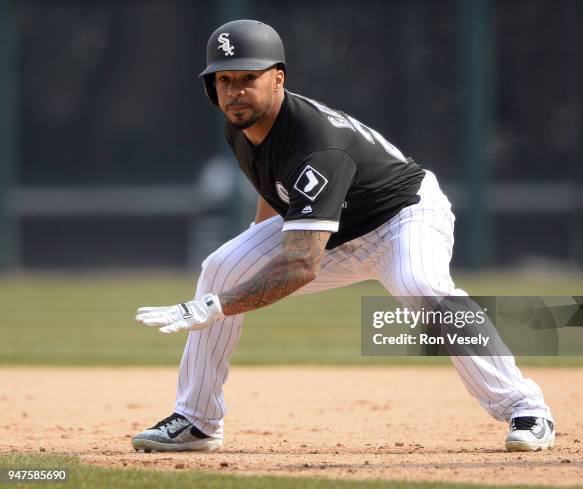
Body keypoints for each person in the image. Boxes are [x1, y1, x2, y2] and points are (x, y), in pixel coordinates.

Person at [132, 19, 555, 453]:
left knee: (422, 286)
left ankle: (527, 408)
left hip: (401, 218)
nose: (236, 90)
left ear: (277, 78)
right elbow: (272, 190)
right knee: (220, 268)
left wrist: (217, 305)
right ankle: (196, 421)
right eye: (224, 79)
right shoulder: (240, 125)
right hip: (332, 227)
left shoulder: (317, 144)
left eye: (248, 78)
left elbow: (301, 265)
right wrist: (239, 264)